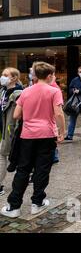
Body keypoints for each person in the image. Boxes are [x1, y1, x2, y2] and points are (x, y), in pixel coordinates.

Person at [1, 62, 65, 219]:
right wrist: (62, 131)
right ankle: (37, 202)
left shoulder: (26, 91)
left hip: (27, 135)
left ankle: (14, 206)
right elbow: (59, 114)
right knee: (42, 169)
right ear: (49, 75)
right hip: (47, 134)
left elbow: (16, 115)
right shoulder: (54, 91)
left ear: (35, 75)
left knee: (23, 169)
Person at [0, 68, 23, 197]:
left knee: (6, 155)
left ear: (14, 78)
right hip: (2, 130)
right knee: (4, 155)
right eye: (2, 74)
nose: (2, 77)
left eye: (5, 75)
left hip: (11, 131)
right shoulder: (2, 91)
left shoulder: (19, 93)